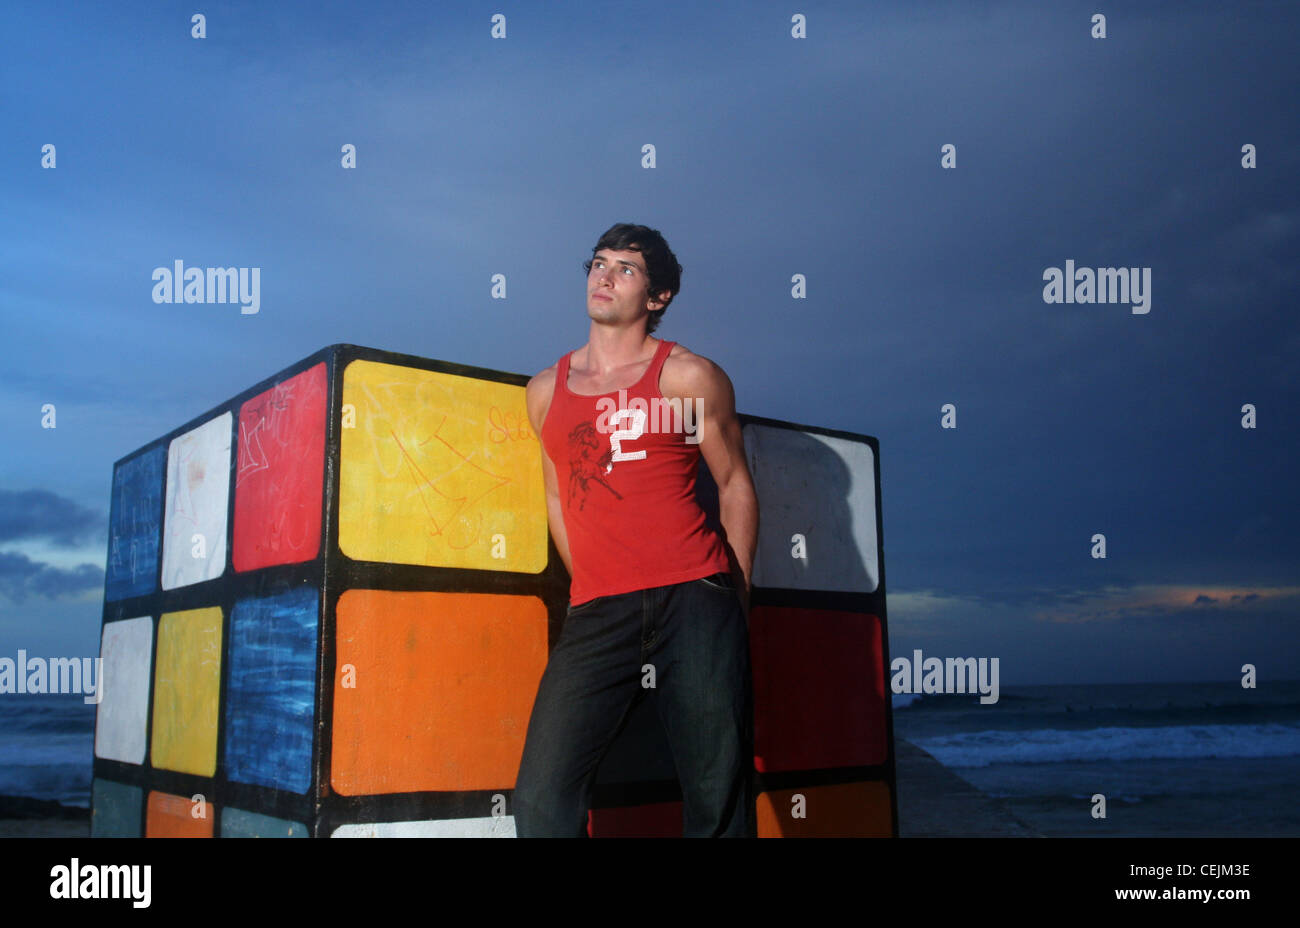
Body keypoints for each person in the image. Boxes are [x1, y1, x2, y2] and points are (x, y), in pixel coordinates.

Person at [513, 222, 759, 837]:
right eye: (598, 263)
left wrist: (736, 597)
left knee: (716, 796)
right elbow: (556, 496)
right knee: (541, 798)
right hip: (598, 611)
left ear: (658, 298)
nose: (604, 275)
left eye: (626, 269)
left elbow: (733, 485)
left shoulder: (688, 378)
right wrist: (592, 583)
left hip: (694, 597)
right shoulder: (546, 390)